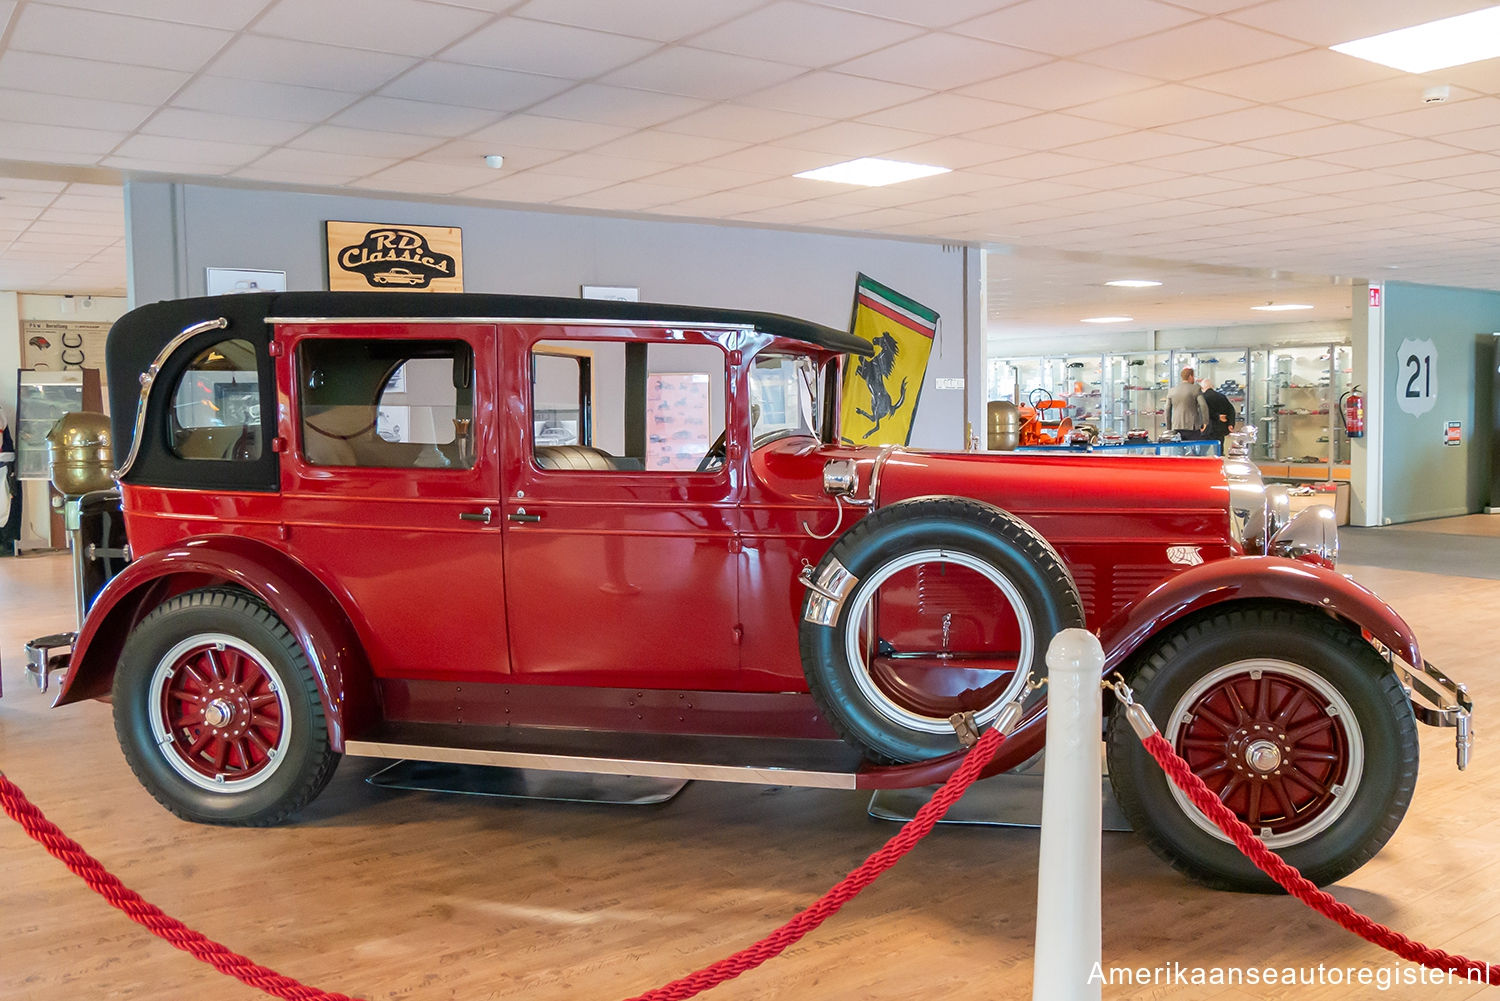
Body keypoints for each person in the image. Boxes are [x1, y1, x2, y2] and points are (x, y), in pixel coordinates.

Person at [1165, 367, 1206, 441]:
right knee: (1194, 450)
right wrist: (1205, 422)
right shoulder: (1195, 389)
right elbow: (1203, 405)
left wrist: (1169, 427)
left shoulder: (1172, 390)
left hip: (1176, 426)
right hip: (1192, 427)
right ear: (1190, 376)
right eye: (1193, 376)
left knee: (1178, 451)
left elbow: (1167, 409)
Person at [1200, 379, 1236, 451]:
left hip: (1207, 429)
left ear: (1202, 388)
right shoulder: (1222, 396)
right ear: (1212, 386)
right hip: (1220, 429)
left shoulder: (1202, 398)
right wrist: (1230, 423)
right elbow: (1231, 410)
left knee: (1202, 452)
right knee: (1219, 451)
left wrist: (1216, 417)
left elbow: (1204, 412)